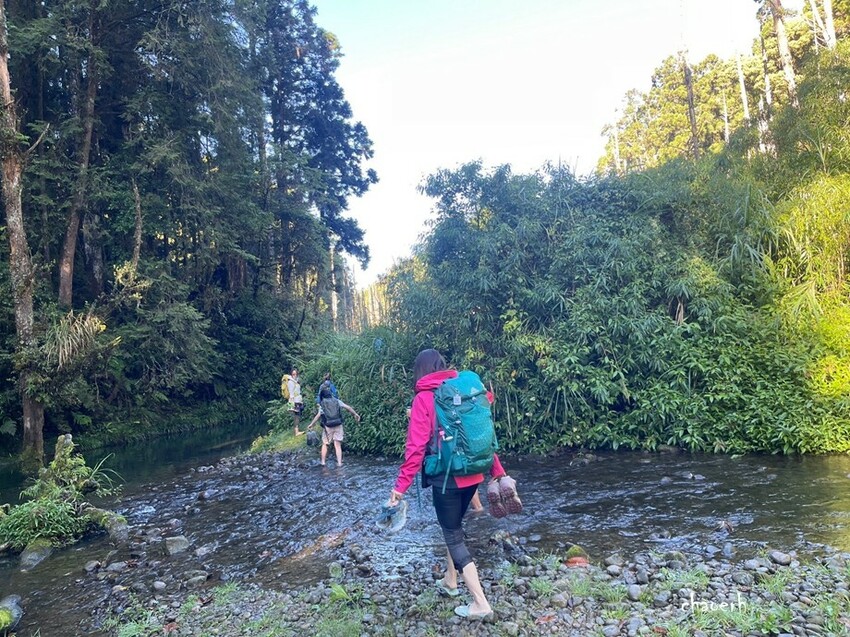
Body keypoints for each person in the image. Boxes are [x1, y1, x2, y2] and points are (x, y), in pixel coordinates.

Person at [387, 348, 505, 621]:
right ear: (442, 366)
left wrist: (399, 489)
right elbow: (482, 435)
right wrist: (496, 471)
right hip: (474, 474)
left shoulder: (424, 399)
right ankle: (451, 581)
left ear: (419, 371)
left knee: (452, 534)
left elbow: (415, 449)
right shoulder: (462, 391)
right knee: (453, 527)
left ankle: (480, 602)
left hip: (447, 479)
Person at [306, 385, 360, 466]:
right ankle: (339, 463)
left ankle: (323, 462)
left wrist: (312, 424)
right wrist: (355, 414)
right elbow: (348, 407)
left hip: (328, 426)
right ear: (330, 394)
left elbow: (318, 415)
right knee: (337, 445)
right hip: (338, 424)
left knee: (325, 444)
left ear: (322, 396)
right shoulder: (336, 401)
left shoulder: (322, 403)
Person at [287, 368, 305, 436]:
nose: (295, 375)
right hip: (294, 401)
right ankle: (296, 432)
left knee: (298, 415)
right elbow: (291, 394)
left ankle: (297, 430)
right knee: (296, 416)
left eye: (296, 374)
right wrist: (290, 406)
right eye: (293, 374)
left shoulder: (296, 381)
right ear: (291, 374)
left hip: (298, 400)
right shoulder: (290, 382)